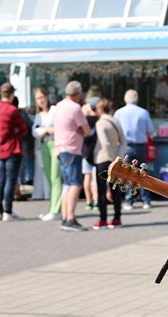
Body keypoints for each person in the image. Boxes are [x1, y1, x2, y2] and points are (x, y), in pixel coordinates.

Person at [54, 81, 91, 231]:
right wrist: (81, 130)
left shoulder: (60, 105)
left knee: (67, 184)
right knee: (75, 184)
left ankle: (65, 216)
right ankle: (70, 218)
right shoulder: (75, 108)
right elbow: (87, 130)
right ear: (79, 93)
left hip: (60, 148)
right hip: (72, 148)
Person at [114, 89, 154, 210]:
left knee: (128, 173)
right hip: (141, 146)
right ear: (136, 99)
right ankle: (145, 200)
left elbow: (115, 132)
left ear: (125, 99)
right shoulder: (144, 113)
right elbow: (150, 132)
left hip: (125, 146)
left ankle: (129, 200)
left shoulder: (118, 113)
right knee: (143, 173)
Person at [0, 83, 27, 221]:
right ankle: (8, 211)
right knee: (10, 180)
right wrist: (15, 131)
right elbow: (23, 129)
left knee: (0, 180)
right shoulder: (13, 110)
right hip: (12, 149)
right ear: (12, 94)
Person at [92, 99, 126, 230]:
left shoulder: (100, 123)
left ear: (100, 110)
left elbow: (104, 143)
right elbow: (123, 141)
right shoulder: (115, 121)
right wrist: (118, 158)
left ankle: (103, 219)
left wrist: (111, 158)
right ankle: (117, 218)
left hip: (102, 158)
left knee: (101, 190)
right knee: (115, 189)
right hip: (115, 159)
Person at [32, 88, 63, 221]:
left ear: (47, 96)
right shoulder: (39, 115)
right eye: (38, 98)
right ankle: (53, 207)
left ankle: (56, 209)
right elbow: (34, 132)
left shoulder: (54, 110)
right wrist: (45, 130)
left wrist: (44, 130)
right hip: (43, 145)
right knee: (49, 177)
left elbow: (59, 127)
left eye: (42, 97)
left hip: (55, 144)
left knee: (55, 176)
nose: (40, 100)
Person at [81, 96, 100, 211]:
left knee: (87, 177)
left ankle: (89, 201)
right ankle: (97, 201)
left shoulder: (85, 120)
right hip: (97, 152)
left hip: (86, 151)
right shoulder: (100, 120)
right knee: (95, 179)